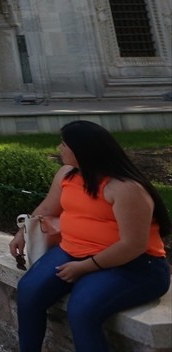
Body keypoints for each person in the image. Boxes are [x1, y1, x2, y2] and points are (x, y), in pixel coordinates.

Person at [11, 120, 170, 352]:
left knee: (83, 310)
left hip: (135, 266)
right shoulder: (67, 175)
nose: (59, 148)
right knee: (29, 292)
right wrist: (22, 233)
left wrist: (86, 267)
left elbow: (132, 245)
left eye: (64, 144)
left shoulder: (125, 188)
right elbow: (48, 208)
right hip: (73, 252)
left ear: (83, 149)